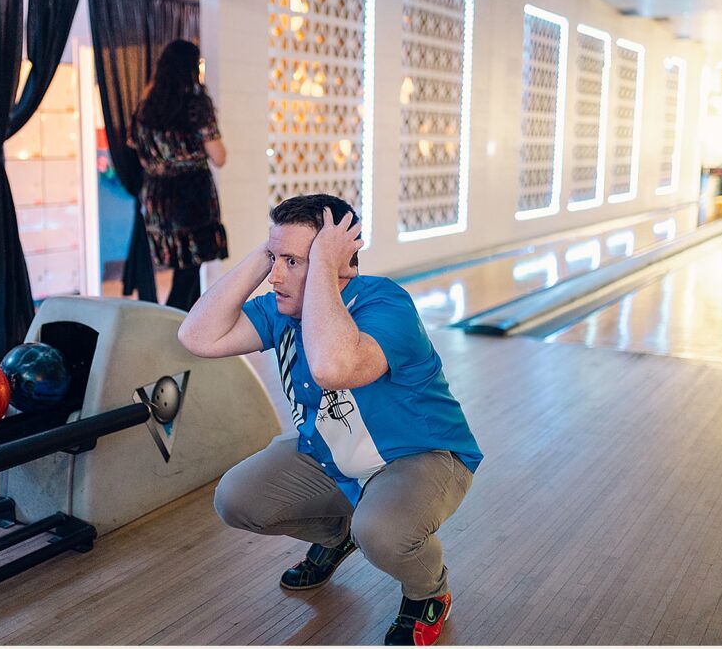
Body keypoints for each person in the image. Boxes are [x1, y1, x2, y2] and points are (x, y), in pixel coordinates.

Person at [177, 194, 483, 646]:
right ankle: (338, 534)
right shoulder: (284, 309)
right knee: (236, 498)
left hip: (420, 457)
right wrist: (268, 254)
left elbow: (333, 367)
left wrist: (321, 264)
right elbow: (197, 336)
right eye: (274, 258)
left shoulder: (385, 304)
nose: (277, 276)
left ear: (339, 262)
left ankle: (427, 591)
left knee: (381, 530)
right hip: (332, 456)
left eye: (293, 261)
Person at [129, 39, 228, 311]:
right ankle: (173, 336)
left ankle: (189, 332)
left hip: (158, 197)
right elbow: (219, 157)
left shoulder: (146, 106)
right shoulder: (195, 104)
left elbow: (138, 152)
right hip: (190, 197)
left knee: (185, 272)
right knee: (187, 275)